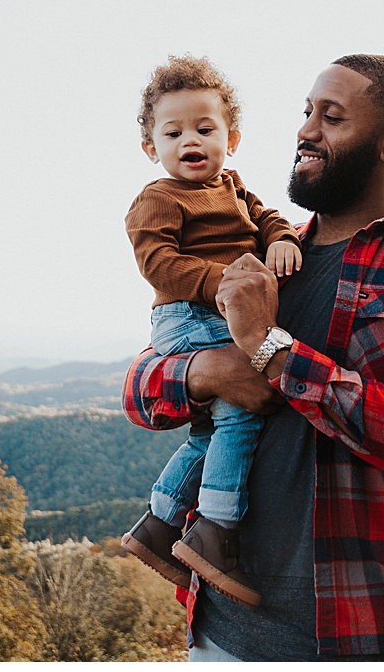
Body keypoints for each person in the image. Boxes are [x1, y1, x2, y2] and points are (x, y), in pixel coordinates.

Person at [122, 54, 384, 662]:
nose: (305, 131)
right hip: (219, 631)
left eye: (331, 118)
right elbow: (141, 389)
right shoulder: (265, 257)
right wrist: (204, 372)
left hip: (355, 634)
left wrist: (269, 351)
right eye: (306, 112)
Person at [120, 55, 303, 609]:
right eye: (173, 132)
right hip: (189, 315)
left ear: (233, 137)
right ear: (152, 147)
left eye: (205, 129)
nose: (189, 141)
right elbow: (159, 265)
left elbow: (265, 214)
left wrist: (281, 239)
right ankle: (215, 530)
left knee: (208, 433)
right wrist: (226, 282)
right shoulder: (160, 198)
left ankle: (160, 521)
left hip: (224, 311)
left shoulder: (232, 186)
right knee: (242, 412)